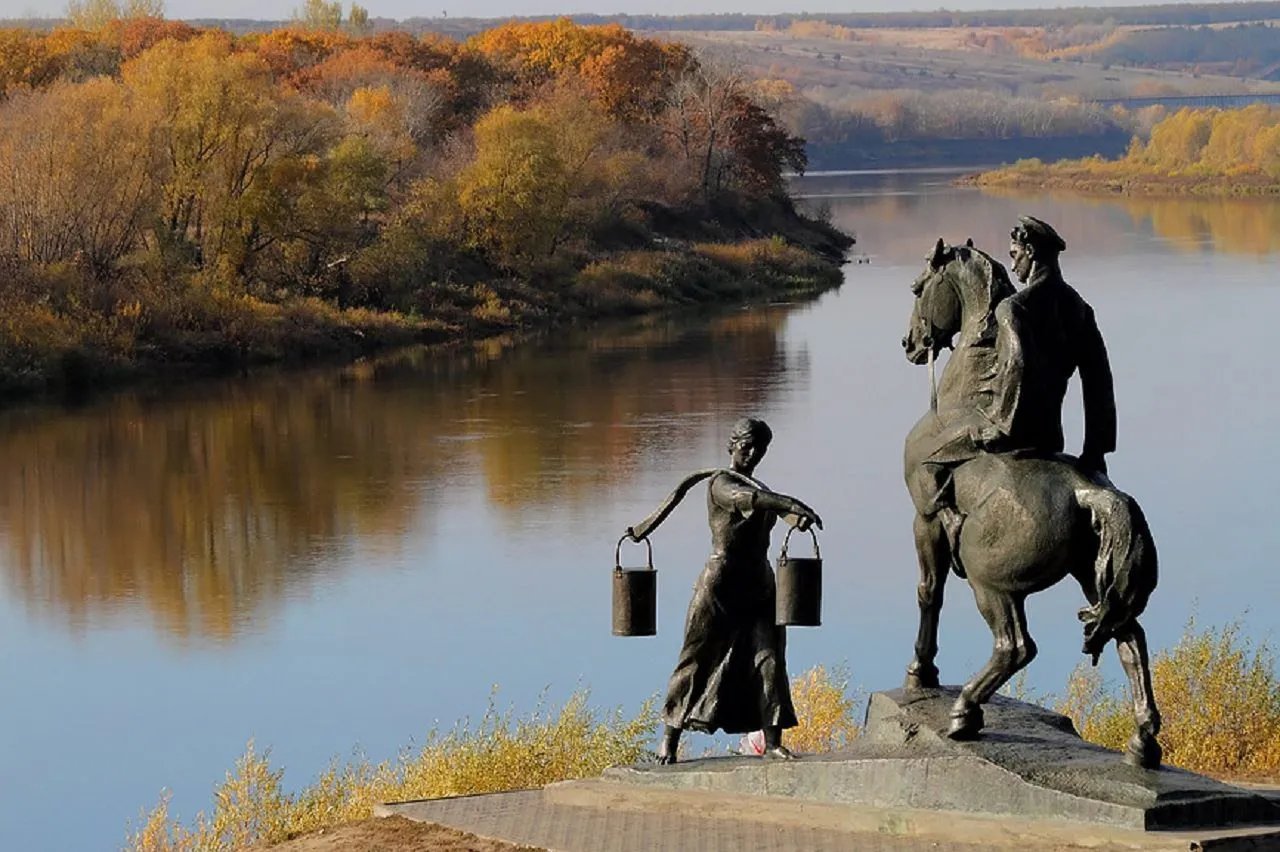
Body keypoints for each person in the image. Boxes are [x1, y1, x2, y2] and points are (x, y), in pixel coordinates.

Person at [920, 216, 1116, 573]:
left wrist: (1000, 425)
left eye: (1015, 254)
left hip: (1015, 433)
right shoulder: (1079, 309)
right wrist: (1095, 450)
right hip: (1051, 438)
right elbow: (1099, 380)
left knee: (929, 461)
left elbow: (1016, 364)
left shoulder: (1013, 308)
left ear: (1030, 251)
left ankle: (952, 527)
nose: (1012, 264)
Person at [653, 417, 822, 764]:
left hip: (759, 585)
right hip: (720, 586)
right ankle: (669, 738)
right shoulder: (721, 483)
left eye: (759, 448)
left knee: (770, 658)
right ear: (732, 446)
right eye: (746, 445)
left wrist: (795, 518)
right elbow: (750, 499)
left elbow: (767, 504)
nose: (752, 453)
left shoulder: (758, 484)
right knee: (697, 661)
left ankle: (772, 741)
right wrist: (789, 504)